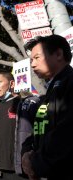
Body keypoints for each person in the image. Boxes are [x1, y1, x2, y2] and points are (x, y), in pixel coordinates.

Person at [22, 35, 73, 180]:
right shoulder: (52, 90)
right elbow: (40, 130)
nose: (32, 64)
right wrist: (26, 152)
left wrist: (36, 164)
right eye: (32, 60)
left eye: (37, 57)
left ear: (58, 54)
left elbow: (66, 134)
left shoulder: (69, 84)